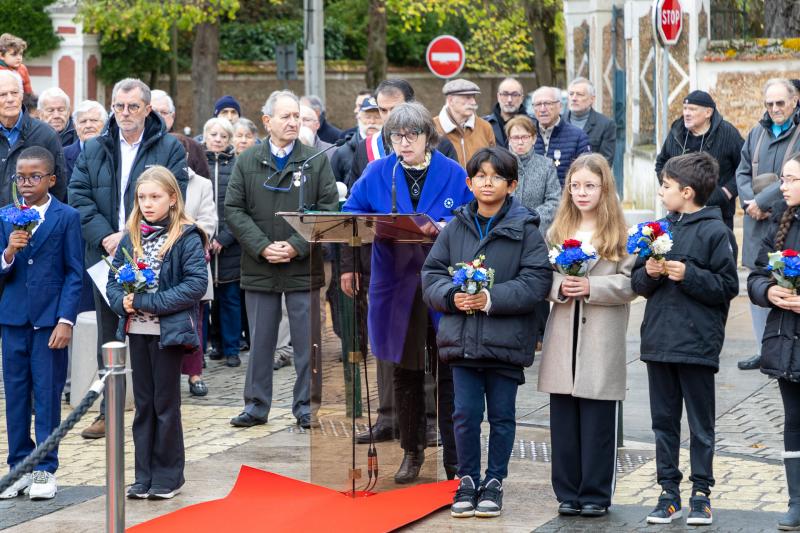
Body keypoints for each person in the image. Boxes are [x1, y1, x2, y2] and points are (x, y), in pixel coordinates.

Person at [343, 101, 473, 483]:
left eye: (411, 135)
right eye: (396, 136)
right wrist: (373, 223)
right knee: (405, 371)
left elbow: (470, 217)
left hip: (443, 280)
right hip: (395, 281)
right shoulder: (376, 171)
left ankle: (455, 458)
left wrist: (444, 225)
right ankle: (411, 453)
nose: (404, 142)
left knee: (448, 369)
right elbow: (351, 213)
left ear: (427, 137)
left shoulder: (453, 172)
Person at [422, 146, 551, 517]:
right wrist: (451, 296)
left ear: (511, 184)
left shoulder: (525, 229)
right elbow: (431, 274)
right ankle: (466, 479)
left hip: (505, 340)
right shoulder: (455, 226)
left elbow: (535, 280)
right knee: (463, 413)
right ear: (469, 182)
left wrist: (490, 299)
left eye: (497, 177)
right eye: (480, 176)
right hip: (461, 340)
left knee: (501, 414)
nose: (487, 183)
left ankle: (494, 481)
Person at [69, 77, 188, 440]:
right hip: (106, 254)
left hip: (152, 252)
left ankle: (155, 412)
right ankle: (108, 410)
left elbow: (175, 193)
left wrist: (133, 235)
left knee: (152, 336)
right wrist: (106, 236)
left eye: (132, 107)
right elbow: (79, 194)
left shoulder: (169, 146)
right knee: (110, 335)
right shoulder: (93, 148)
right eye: (118, 107)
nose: (124, 113)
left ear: (148, 108)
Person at [631, 152, 738, 526]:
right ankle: (668, 493)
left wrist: (687, 274)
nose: (661, 193)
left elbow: (727, 286)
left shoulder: (716, 231)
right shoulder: (656, 229)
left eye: (666, 186)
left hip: (697, 345)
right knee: (663, 423)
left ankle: (701, 494)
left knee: (701, 425)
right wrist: (650, 270)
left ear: (687, 192)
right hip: (658, 342)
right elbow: (637, 285)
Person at [226, 90, 339, 430]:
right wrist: (261, 246)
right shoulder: (248, 160)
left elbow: (329, 208)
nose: (293, 122)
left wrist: (295, 245)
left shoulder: (315, 160)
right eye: (286, 116)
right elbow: (233, 209)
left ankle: (306, 405)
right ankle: (256, 405)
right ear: (267, 121)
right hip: (259, 264)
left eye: (298, 117)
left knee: (307, 343)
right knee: (261, 340)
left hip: (302, 265)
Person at [538, 153, 636, 518]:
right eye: (575, 186)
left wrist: (592, 287)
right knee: (563, 418)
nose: (582, 193)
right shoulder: (558, 231)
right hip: (564, 331)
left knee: (597, 418)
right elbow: (542, 276)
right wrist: (561, 287)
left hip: (600, 335)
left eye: (590, 186)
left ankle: (595, 492)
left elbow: (630, 283)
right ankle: (567, 491)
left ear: (604, 188)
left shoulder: (619, 235)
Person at [107, 166, 206, 500]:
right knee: (144, 405)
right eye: (142, 197)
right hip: (137, 331)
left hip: (169, 332)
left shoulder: (186, 235)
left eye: (155, 196)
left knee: (166, 405)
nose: (147, 203)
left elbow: (195, 284)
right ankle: (143, 475)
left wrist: (150, 300)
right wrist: (124, 301)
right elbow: (112, 283)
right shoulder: (130, 235)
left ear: (172, 198)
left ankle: (168, 475)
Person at [0, 147, 83, 501]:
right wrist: (8, 253)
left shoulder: (66, 217)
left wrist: (66, 320)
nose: (26, 183)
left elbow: (74, 273)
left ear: (51, 179)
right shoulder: (5, 216)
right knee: (16, 395)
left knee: (47, 394)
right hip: (13, 319)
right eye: (21, 177)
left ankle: (44, 468)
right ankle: (18, 466)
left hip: (50, 322)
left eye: (35, 177)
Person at [747, 153, 800, 531]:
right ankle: (797, 501)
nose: (782, 186)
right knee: (794, 421)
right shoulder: (783, 220)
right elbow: (756, 275)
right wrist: (769, 293)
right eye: (782, 179)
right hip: (787, 340)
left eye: (790, 179)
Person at [736, 78, 800, 372]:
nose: (775, 109)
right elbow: (742, 171)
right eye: (769, 104)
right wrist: (750, 203)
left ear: (794, 101)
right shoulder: (755, 133)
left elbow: (792, 178)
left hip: (787, 219)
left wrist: (763, 201)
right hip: (756, 222)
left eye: (780, 103)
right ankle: (763, 347)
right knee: (759, 280)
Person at [655, 90, 743, 230]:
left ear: (708, 112)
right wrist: (669, 186)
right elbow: (661, 163)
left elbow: (744, 166)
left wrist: (726, 192)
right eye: (685, 108)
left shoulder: (727, 132)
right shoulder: (676, 132)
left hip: (717, 214)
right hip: (679, 212)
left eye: (692, 109)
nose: (686, 113)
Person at [203, 117, 242, 368]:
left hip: (230, 247)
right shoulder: (197, 165)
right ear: (205, 136)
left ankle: (232, 348)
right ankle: (213, 345)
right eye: (213, 134)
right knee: (208, 301)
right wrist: (204, 238)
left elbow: (240, 206)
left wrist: (224, 238)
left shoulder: (238, 166)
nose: (218, 140)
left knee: (229, 299)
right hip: (203, 245)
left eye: (223, 136)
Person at [0, 70, 66, 205]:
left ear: (22, 95)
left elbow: (59, 185)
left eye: (14, 93)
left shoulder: (46, 135)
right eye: (2, 94)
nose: (10, 99)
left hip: (34, 222)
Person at [505, 115, 560, 237]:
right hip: (505, 231)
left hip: (537, 233)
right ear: (509, 139)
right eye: (515, 137)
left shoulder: (546, 165)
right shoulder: (500, 165)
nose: (520, 142)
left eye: (525, 137)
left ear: (534, 138)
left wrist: (531, 219)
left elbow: (554, 200)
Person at [531, 86, 591, 186]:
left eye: (548, 103)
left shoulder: (578, 137)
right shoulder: (525, 136)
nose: (542, 109)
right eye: (538, 104)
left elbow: (586, 174)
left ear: (560, 106)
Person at [434, 78, 496, 168]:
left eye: (473, 97)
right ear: (450, 100)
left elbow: (494, 163)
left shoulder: (485, 127)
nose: (473, 102)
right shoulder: (433, 127)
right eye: (467, 97)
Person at [564, 78, 616, 168]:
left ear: (592, 99)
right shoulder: (559, 122)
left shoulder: (605, 125)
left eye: (579, 94)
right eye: (571, 94)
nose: (574, 98)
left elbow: (605, 163)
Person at [331, 96, 382, 182]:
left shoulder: (392, 148)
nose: (372, 121)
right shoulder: (343, 152)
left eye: (377, 117)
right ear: (359, 118)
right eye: (368, 117)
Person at [63, 100, 107, 182]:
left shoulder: (114, 152)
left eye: (94, 120)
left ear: (104, 124)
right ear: (75, 126)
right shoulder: (63, 156)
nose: (88, 125)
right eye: (83, 121)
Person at [483, 77, 528, 148]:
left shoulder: (533, 125)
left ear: (521, 98)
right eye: (505, 94)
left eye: (514, 95)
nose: (509, 100)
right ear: (498, 97)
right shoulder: (483, 125)